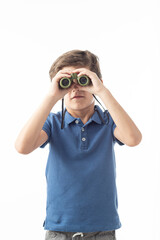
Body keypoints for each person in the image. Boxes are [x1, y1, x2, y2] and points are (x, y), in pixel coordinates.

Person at [15, 50, 142, 240]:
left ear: (95, 82)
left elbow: (133, 139)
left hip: (102, 229)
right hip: (59, 229)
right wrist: (51, 97)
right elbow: (22, 147)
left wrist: (101, 91)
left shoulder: (108, 121)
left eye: (83, 80)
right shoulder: (53, 123)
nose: (75, 88)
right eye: (66, 83)